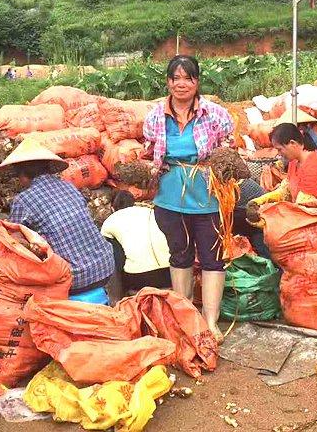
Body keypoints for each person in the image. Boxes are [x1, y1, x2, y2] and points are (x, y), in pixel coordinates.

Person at [143, 55, 234, 342]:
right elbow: (148, 151)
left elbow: (229, 145)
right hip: (170, 197)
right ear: (168, 82)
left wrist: (224, 161)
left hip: (208, 196)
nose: (182, 83)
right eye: (176, 78)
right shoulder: (155, 115)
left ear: (197, 81)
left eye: (188, 77)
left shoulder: (216, 114)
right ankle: (183, 317)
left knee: (212, 258)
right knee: (180, 256)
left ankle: (210, 321)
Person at [0, 138, 115, 301]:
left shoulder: (23, 200)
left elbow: (14, 241)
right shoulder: (69, 186)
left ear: (23, 176)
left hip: (76, 278)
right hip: (106, 265)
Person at [100, 191, 171, 300]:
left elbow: (114, 260)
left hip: (139, 279)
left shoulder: (110, 221)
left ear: (113, 208)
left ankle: (116, 302)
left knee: (108, 254)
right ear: (134, 203)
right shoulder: (150, 211)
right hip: (170, 274)